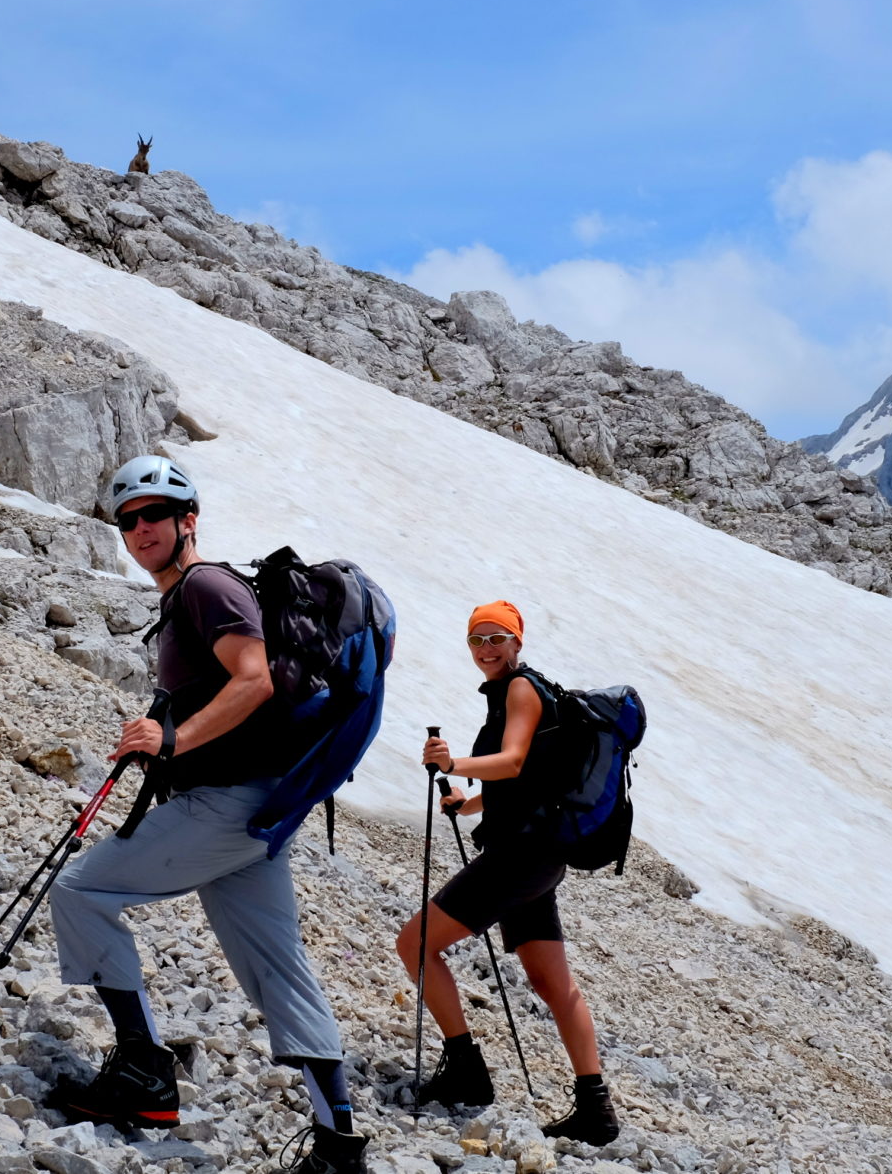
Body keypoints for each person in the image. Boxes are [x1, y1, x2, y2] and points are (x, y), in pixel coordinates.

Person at [47, 455, 368, 1174]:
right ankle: (340, 1145)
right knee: (278, 967)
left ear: (188, 518)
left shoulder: (206, 584)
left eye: (153, 514)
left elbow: (253, 679)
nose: (138, 529)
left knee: (79, 890)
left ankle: (144, 1075)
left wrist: (175, 737)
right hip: (256, 813)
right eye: (127, 519)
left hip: (226, 804)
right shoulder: (191, 595)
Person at [393, 600, 621, 1146]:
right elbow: (525, 782)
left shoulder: (521, 690)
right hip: (537, 857)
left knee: (415, 944)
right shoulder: (521, 691)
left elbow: (514, 760)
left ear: (517, 642)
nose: (486, 649)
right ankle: (596, 1109)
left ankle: (467, 1072)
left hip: (519, 858)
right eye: (477, 640)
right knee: (551, 983)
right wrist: (468, 804)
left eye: (496, 638)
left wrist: (454, 766)